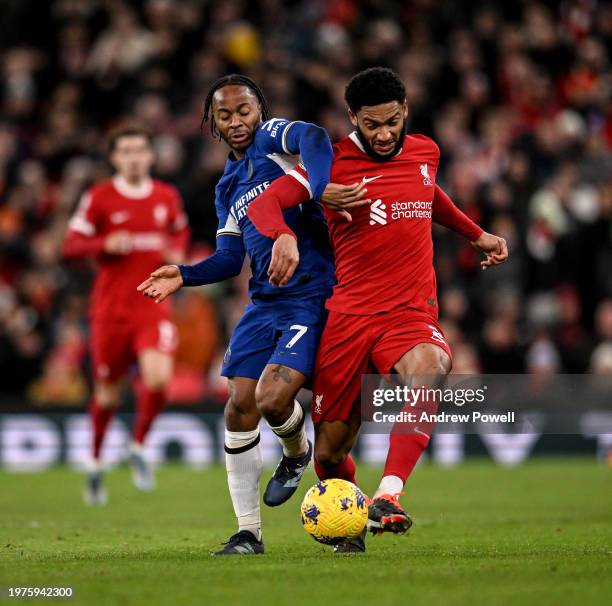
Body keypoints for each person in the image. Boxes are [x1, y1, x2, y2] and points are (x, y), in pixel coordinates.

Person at [247, 67, 508, 552]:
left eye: (392, 121)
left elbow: (430, 196)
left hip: (410, 311)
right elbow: (266, 203)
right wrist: (284, 232)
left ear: (405, 110)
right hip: (347, 318)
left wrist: (477, 235)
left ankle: (390, 495)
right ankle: (355, 519)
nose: (385, 134)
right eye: (372, 125)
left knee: (431, 369)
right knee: (329, 454)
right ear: (352, 119)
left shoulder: (427, 150)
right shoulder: (330, 164)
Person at [137, 74, 367, 555]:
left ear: (259, 109)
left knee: (272, 399)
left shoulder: (272, 139)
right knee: (238, 405)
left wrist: (315, 189)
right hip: (263, 303)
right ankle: (248, 533)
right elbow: (228, 259)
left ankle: (296, 449)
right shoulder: (225, 186)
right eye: (225, 115)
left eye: (244, 110)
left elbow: (315, 138)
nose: (237, 121)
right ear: (212, 123)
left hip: (312, 295)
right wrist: (184, 273)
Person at [63, 123, 190, 505]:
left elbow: (180, 231)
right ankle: (97, 461)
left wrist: (178, 255)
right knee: (106, 395)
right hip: (110, 311)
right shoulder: (99, 197)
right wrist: (103, 242)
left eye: (140, 150)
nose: (134, 157)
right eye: (126, 151)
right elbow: (70, 244)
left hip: (153, 307)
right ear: (115, 158)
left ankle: (137, 446)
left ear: (150, 155)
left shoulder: (166, 196)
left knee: (158, 378)